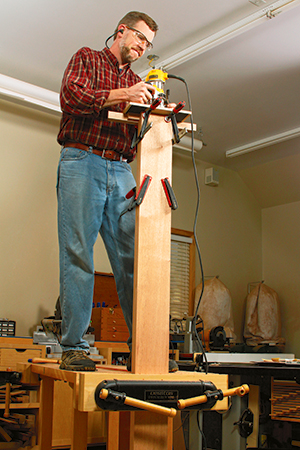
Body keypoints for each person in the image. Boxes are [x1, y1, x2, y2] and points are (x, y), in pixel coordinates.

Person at [56, 11, 178, 372]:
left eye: (148, 43)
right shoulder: (87, 59)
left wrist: (154, 113)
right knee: (78, 253)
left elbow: (137, 133)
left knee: (133, 259)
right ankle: (75, 347)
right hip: (82, 160)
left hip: (122, 168)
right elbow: (71, 97)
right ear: (121, 31)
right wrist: (123, 94)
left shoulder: (140, 83)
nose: (142, 46)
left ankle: (146, 346)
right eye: (139, 38)